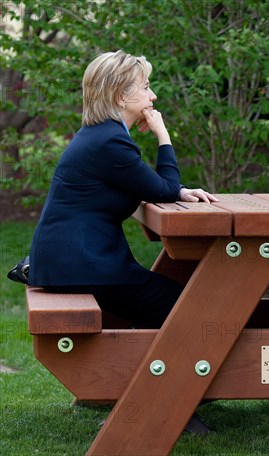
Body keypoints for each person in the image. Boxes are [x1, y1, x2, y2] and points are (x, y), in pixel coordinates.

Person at [27, 50, 218, 329]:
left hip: (70, 265)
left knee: (179, 303)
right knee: (189, 308)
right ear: (120, 97)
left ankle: (153, 369)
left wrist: (175, 190)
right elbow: (164, 190)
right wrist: (163, 135)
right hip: (82, 268)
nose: (152, 97)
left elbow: (157, 187)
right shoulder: (110, 141)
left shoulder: (100, 135)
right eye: (146, 87)